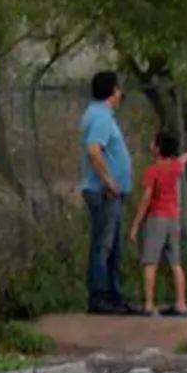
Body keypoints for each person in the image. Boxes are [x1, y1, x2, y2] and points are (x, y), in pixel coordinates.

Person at [128, 131, 187, 316]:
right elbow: (186, 157)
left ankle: (149, 305)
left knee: (151, 262)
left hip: (157, 218)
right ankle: (181, 304)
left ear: (158, 148)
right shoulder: (175, 167)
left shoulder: (152, 171)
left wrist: (136, 224)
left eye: (153, 143)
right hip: (174, 218)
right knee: (175, 262)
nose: (150, 145)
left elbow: (146, 199)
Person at [80, 70, 136, 315]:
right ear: (111, 92)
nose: (121, 93)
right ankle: (100, 296)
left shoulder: (102, 115)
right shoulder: (100, 117)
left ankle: (114, 296)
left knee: (113, 247)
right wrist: (109, 180)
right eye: (118, 89)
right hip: (104, 193)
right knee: (103, 246)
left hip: (110, 193)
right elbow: (94, 150)